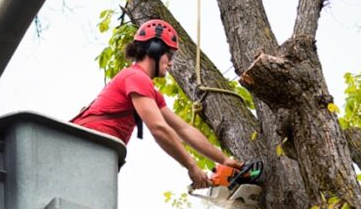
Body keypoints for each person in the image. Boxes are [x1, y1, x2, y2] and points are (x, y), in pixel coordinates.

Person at [72, 19, 242, 189]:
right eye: (170, 55)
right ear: (155, 49)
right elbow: (159, 128)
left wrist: (224, 160)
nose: (171, 62)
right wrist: (192, 166)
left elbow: (184, 129)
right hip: (81, 147)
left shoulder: (148, 90)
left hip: (95, 152)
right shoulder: (135, 77)